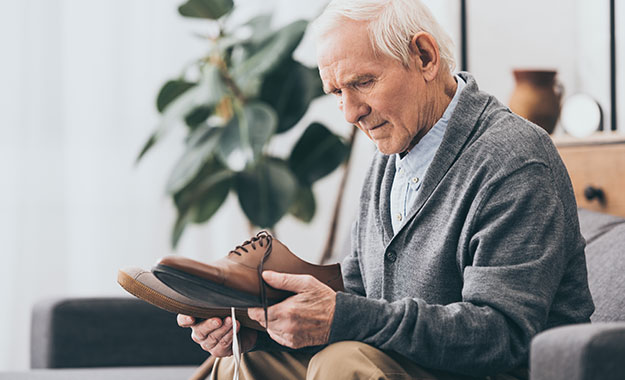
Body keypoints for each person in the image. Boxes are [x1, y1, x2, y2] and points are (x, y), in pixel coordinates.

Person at [177, 0, 594, 379]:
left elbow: (503, 336)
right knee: (244, 358)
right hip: (410, 363)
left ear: (425, 57)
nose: (351, 113)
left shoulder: (513, 159)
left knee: (339, 363)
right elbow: (361, 296)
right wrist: (263, 330)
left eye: (362, 82)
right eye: (337, 92)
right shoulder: (392, 153)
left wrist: (342, 317)